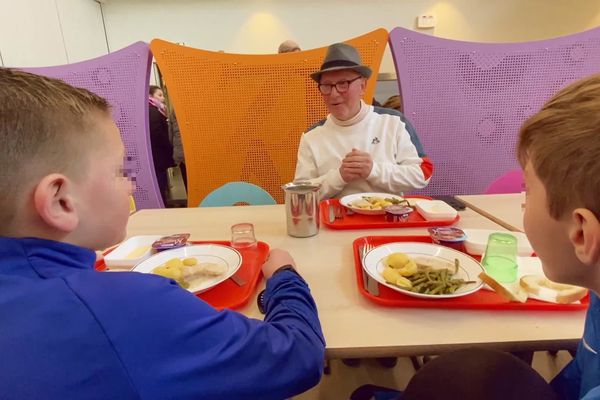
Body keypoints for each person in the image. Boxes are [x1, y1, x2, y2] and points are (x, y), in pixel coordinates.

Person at [0, 68, 325, 399]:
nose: (131, 182)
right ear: (60, 201)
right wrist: (284, 275)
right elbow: (298, 353)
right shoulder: (125, 308)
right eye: (118, 171)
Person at [353, 72, 600, 400]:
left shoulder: (392, 124)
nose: (523, 202)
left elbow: (421, 172)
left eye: (527, 189)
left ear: (581, 234)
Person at [294, 42, 433, 199]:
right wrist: (339, 177)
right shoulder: (312, 136)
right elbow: (301, 195)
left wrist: (373, 170)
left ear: (362, 86)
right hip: (333, 220)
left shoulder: (394, 122)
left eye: (342, 84)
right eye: (326, 86)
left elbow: (423, 174)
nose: (333, 94)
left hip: (387, 217)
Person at [149, 85, 174, 205]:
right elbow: (157, 133)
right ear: (150, 96)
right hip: (157, 156)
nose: (163, 98)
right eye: (159, 95)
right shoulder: (153, 111)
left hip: (156, 156)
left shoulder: (153, 110)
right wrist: (169, 146)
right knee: (160, 184)